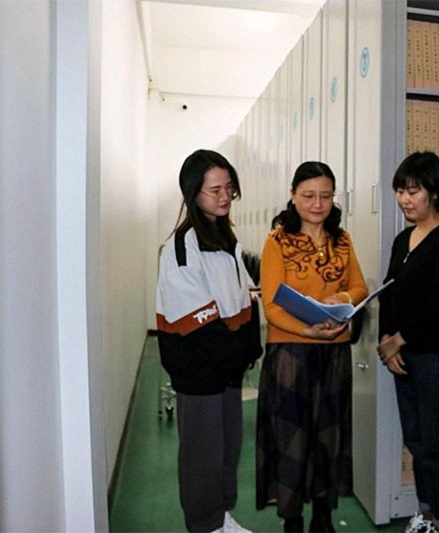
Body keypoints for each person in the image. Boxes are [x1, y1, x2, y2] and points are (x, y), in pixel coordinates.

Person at [256, 161, 368, 533]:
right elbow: (272, 307)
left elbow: (359, 287)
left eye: (325, 196)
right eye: (308, 196)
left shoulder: (342, 239)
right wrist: (308, 330)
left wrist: (342, 297)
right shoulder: (277, 241)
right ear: (292, 196)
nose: (317, 204)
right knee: (292, 436)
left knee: (328, 435)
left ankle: (323, 514)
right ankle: (292, 519)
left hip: (334, 350)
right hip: (290, 352)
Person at [156, 149, 261, 533]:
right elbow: (197, 322)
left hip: (227, 368)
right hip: (200, 371)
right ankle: (205, 524)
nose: (224, 196)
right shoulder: (182, 248)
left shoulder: (225, 239)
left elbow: (245, 297)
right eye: (214, 190)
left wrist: (249, 350)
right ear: (192, 193)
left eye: (229, 188)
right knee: (202, 453)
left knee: (227, 447)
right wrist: (237, 353)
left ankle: (222, 517)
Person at [377, 151, 439, 533]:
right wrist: (386, 339)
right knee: (416, 441)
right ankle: (426, 514)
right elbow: (388, 293)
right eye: (400, 191)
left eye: (413, 191)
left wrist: (398, 340)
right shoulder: (403, 239)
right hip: (404, 357)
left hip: (436, 357)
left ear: (434, 192)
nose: (404, 199)